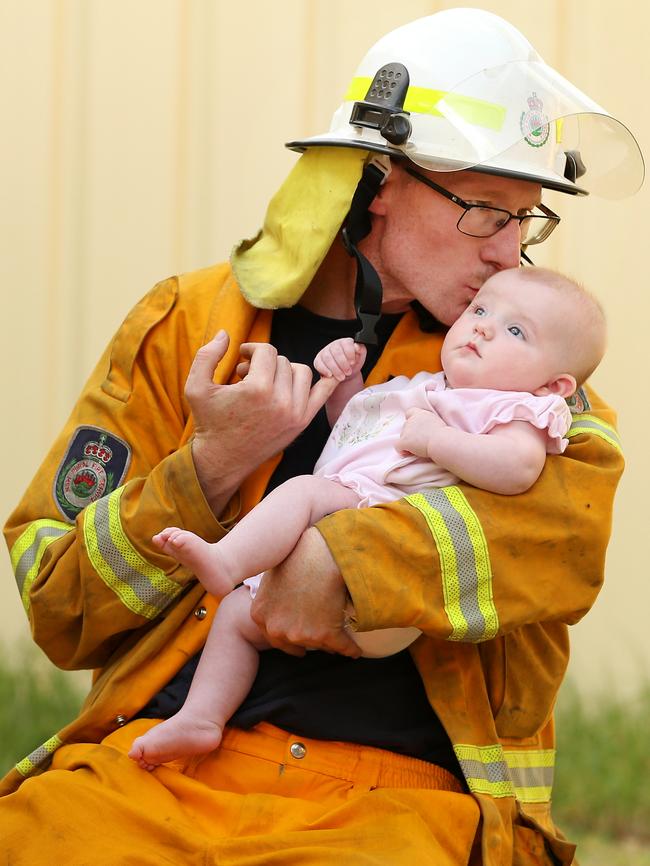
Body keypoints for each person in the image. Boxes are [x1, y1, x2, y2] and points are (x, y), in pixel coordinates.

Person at [1, 9, 643, 866]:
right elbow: (57, 608)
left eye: (527, 220)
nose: (510, 258)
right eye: (488, 212)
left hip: (395, 804)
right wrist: (209, 465)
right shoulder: (186, 327)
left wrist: (343, 561)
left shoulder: (521, 373)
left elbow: (566, 541)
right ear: (374, 185)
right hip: (152, 771)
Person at [128, 266, 606, 771]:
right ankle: (201, 717)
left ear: (553, 384)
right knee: (237, 620)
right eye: (480, 310)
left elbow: (518, 468)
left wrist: (434, 441)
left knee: (305, 491)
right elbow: (354, 435)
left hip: (388, 587)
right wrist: (347, 384)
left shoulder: (513, 410)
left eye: (516, 330)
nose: (483, 327)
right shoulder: (421, 389)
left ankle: (224, 563)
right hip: (346, 537)